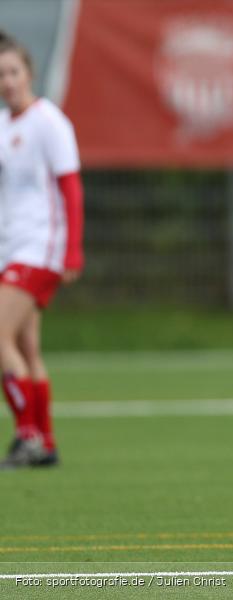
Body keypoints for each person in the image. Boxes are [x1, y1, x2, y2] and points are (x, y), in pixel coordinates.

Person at [0, 31, 84, 468]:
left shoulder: (48, 120)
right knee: (26, 348)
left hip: (39, 248)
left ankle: (27, 437)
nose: (8, 81)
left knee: (0, 338)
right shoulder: (3, 126)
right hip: (12, 249)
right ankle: (45, 443)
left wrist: (72, 249)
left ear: (28, 72)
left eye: (13, 71)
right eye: (0, 75)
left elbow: (70, 186)